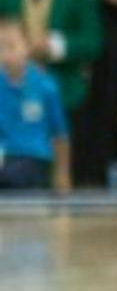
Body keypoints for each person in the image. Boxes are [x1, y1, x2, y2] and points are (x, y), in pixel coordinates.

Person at [0, 15, 70, 191]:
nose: (5, 54)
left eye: (11, 46)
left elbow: (59, 134)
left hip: (34, 159)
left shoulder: (46, 86)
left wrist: (62, 174)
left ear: (26, 47)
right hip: (3, 157)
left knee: (18, 174)